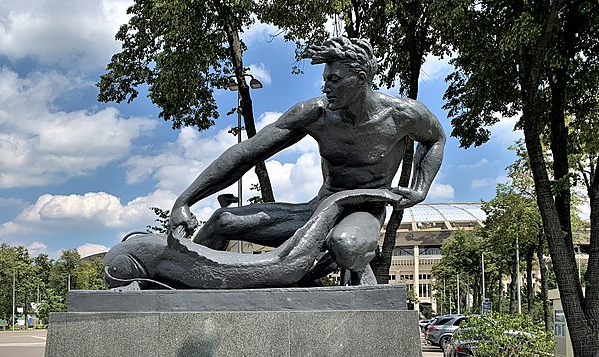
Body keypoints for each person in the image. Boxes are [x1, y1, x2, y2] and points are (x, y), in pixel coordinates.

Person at [168, 36, 445, 284]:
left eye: (334, 79)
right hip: (319, 208)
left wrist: (421, 188)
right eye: (325, 79)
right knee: (223, 220)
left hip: (365, 210)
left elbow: (436, 139)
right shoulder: (316, 114)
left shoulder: (403, 115)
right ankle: (178, 283)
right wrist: (185, 200)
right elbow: (246, 154)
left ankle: (353, 273)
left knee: (345, 244)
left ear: (360, 79)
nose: (326, 87)